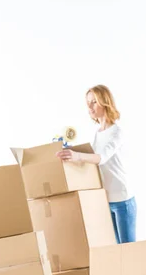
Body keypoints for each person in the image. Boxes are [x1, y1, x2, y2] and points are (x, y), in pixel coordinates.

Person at [56, 85, 136, 244]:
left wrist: (77, 155)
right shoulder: (98, 133)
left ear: (104, 102)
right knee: (116, 249)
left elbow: (101, 157)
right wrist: (69, 152)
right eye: (88, 103)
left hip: (122, 199)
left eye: (94, 102)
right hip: (106, 198)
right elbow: (91, 160)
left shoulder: (117, 132)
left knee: (128, 250)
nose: (90, 107)